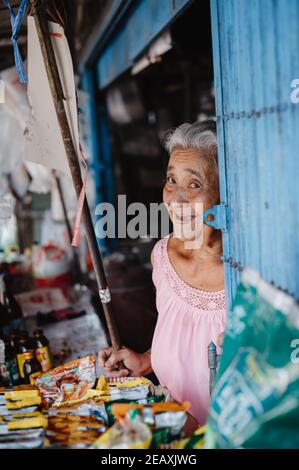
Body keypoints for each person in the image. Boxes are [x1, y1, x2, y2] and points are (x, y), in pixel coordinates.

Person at [99, 121, 227, 426]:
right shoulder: (163, 256)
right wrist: (145, 361)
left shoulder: (245, 272)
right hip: (172, 433)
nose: (176, 199)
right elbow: (185, 338)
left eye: (194, 184)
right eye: (171, 180)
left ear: (227, 192)